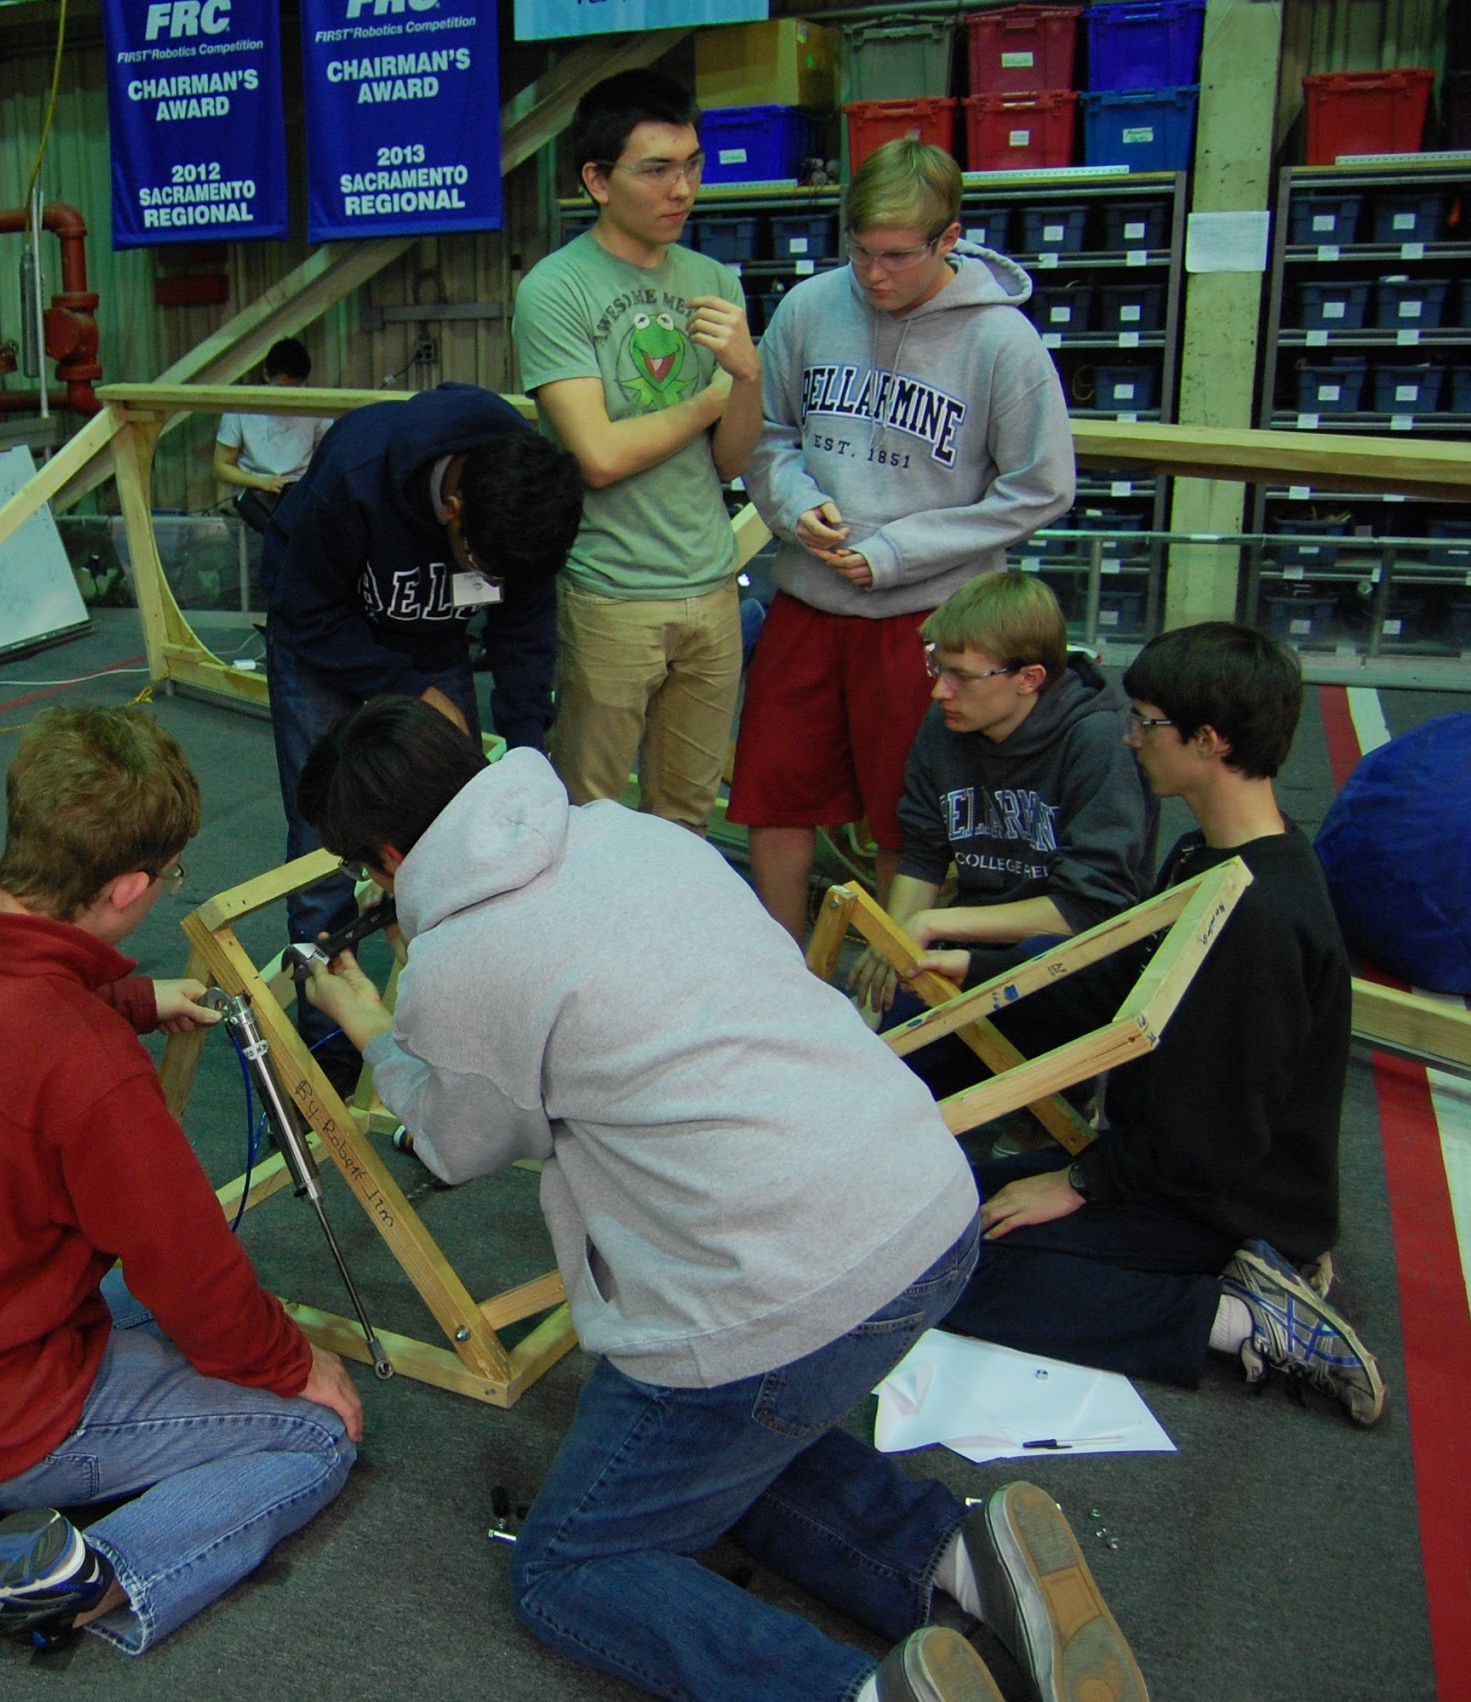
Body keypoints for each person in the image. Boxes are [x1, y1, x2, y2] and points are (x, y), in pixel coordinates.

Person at [295, 697, 1147, 1702]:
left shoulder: (456, 960)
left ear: (388, 857)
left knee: (571, 1564)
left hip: (779, 1284)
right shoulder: (629, 827)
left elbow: (460, 1142)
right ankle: (962, 1561)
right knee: (720, 1454)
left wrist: (377, 1024)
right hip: (922, 1197)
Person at [0, 705, 362, 1654]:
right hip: (2, 1413)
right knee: (313, 1433)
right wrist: (296, 1370)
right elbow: (191, 1273)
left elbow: (16, 1021)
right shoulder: (88, 1071)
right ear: (127, 886)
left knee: (159, 1310)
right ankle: (75, 1580)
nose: (165, 890)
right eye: (167, 877)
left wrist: (129, 997)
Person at [937, 623, 1384, 1427]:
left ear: (1207, 742)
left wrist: (1076, 1185)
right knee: (932, 1213)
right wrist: (971, 972)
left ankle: (1248, 1318)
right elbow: (1113, 983)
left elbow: (1215, 1134)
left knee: (949, 1271)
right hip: (1167, 1162)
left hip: (1227, 1199)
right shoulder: (1209, 857)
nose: (1132, 739)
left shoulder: (1262, 919)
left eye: (1145, 721)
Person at [736, 139, 1076, 939]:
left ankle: (891, 992)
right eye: (860, 252)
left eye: (896, 256)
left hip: (927, 623)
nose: (874, 275)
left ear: (949, 239)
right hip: (810, 599)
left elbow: (1040, 487)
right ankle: (777, 979)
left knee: (907, 818)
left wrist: (898, 553)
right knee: (772, 794)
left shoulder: (1003, 343)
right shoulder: (810, 308)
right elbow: (769, 433)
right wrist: (793, 504)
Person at [261, 381, 582, 1089]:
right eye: (484, 567)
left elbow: (523, 638)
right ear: (452, 507)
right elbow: (304, 615)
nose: (495, 581)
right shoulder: (356, 476)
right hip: (319, 633)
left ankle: (440, 1031)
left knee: (450, 832)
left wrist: (529, 755)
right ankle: (329, 1049)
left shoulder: (522, 508)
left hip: (430, 641)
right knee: (325, 843)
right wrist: (410, 688)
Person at [514, 68, 761, 824]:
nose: (681, 188)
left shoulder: (713, 277)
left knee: (686, 813)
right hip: (612, 590)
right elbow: (599, 455)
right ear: (597, 179)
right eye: (656, 169)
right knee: (589, 812)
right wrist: (716, 395)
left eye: (691, 165)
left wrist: (748, 377)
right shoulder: (558, 288)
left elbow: (731, 461)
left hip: (713, 584)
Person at [854, 573, 1156, 1066]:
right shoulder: (948, 726)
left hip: (1066, 960)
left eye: (962, 677)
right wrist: (899, 937)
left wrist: (928, 924)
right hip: (972, 943)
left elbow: (1090, 909)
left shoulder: (1096, 741)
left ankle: (1067, 1096)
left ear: (1029, 678)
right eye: (936, 666)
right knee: (881, 1062)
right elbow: (924, 853)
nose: (939, 691)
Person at [213, 337, 328, 534]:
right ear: (266, 375)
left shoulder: (315, 404)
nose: (291, 396)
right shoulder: (241, 406)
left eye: (298, 388)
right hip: (256, 491)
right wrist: (263, 482)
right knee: (277, 534)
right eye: (283, 388)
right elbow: (220, 467)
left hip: (300, 491)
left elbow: (328, 456)